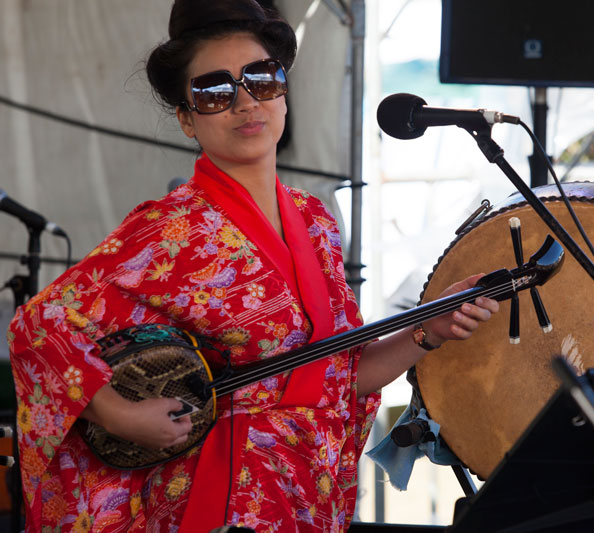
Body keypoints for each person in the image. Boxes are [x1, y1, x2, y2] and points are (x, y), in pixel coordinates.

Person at [7, 1, 499, 531]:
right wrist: (118, 413)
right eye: (215, 92)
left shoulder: (315, 221)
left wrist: (430, 329)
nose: (246, 102)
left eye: (262, 79)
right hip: (221, 493)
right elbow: (39, 325)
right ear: (186, 118)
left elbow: (338, 376)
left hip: (307, 489)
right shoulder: (170, 228)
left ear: (283, 93)